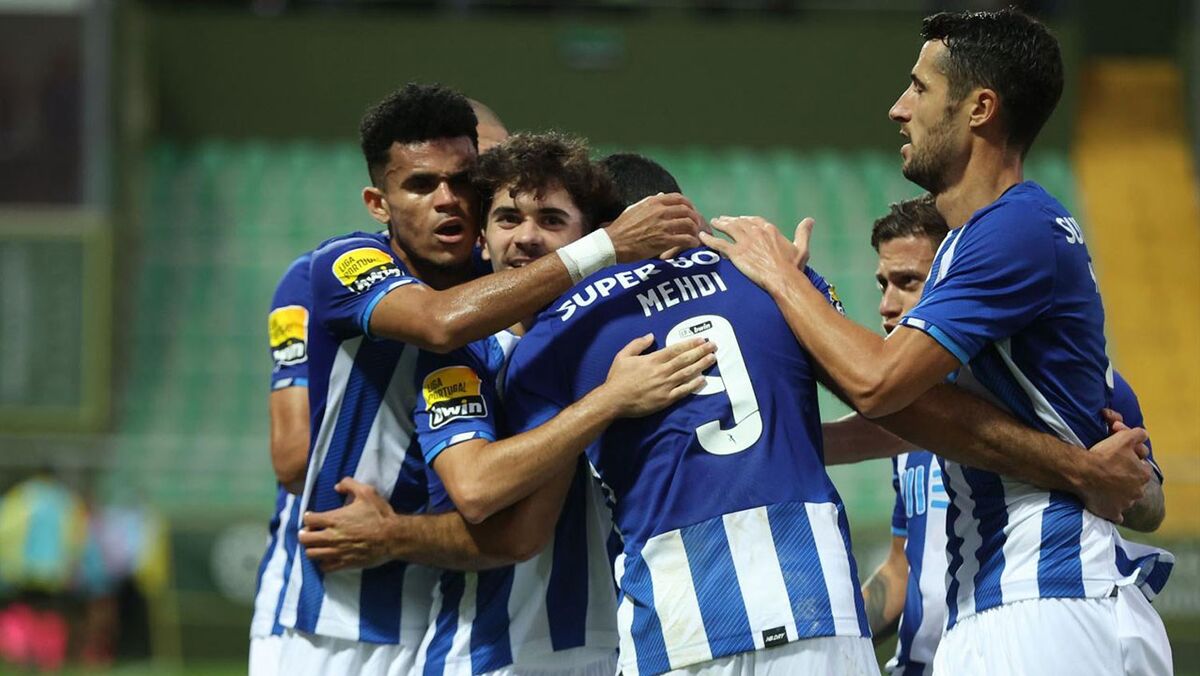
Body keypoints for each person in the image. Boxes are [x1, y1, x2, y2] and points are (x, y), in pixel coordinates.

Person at [703, 8, 1172, 674]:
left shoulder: (1014, 230)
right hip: (1012, 604)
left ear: (980, 108)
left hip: (1044, 599)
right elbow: (920, 413)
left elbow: (877, 383)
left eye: (920, 88)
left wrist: (780, 278)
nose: (899, 109)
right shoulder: (992, 237)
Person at [274, 84, 701, 674]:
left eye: (464, 182)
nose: (448, 200)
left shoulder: (578, 322)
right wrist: (607, 249)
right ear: (378, 201)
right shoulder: (349, 265)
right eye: (421, 184)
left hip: (472, 600)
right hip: (346, 608)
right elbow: (438, 324)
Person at [854, 197, 1167, 675]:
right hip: (950, 654)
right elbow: (902, 571)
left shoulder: (1062, 383)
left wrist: (1125, 475)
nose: (887, 305)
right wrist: (831, 633)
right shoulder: (910, 415)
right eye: (883, 284)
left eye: (908, 282)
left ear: (951, 278)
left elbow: (1152, 506)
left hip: (1038, 623)